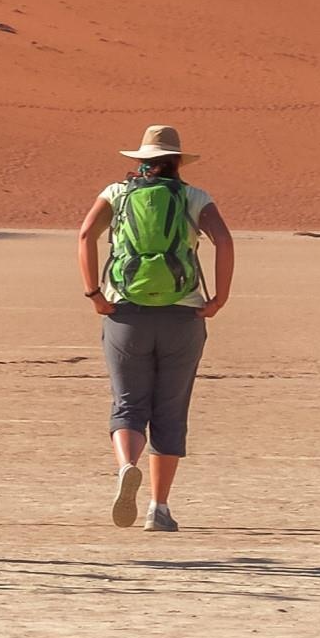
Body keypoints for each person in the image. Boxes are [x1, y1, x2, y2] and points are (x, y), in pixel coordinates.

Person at [75, 122, 232, 532]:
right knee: (170, 410)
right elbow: (226, 242)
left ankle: (127, 464)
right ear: (178, 162)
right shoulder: (195, 197)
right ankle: (158, 509)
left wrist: (94, 293)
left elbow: (86, 234)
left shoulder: (117, 193)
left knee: (128, 403)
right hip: (184, 317)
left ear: (141, 161)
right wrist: (219, 298)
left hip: (125, 313)